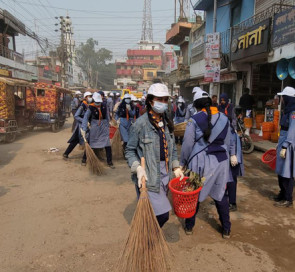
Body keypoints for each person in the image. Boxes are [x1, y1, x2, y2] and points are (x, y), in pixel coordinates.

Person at [125, 83, 183, 228]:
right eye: (159, 99)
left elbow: (173, 150)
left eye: (165, 99)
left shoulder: (166, 122)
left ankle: (149, 234)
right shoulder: (140, 124)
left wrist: (176, 166)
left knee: (153, 213)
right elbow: (129, 150)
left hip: (166, 174)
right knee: (163, 214)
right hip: (149, 175)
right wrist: (137, 168)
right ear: (150, 101)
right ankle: (149, 234)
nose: (163, 103)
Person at [180, 88, 232, 238]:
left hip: (199, 163)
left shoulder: (193, 120)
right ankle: (226, 229)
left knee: (193, 193)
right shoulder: (224, 118)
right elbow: (227, 143)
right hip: (221, 163)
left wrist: (183, 162)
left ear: (196, 105)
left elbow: (188, 144)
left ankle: (189, 226)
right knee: (221, 195)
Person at [218, 93, 243, 212]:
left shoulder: (228, 122)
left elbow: (232, 138)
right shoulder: (219, 115)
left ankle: (232, 202)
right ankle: (223, 197)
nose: (222, 102)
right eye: (221, 100)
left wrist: (233, 155)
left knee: (232, 177)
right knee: (224, 175)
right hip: (227, 149)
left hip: (233, 150)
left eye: (224, 100)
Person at [273, 87, 295, 207]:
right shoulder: (287, 111)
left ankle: (288, 199)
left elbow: (292, 130)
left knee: (287, 172)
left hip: (289, 145)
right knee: (280, 170)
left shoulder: (293, 112)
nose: (281, 99)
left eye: (283, 97)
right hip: (283, 142)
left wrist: (285, 146)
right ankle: (282, 193)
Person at [81, 92, 115, 169]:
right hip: (95, 127)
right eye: (96, 102)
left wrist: (109, 123)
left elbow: (107, 116)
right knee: (90, 142)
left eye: (99, 102)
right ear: (93, 100)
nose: (98, 103)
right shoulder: (91, 107)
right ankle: (84, 159)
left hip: (104, 127)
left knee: (107, 144)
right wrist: (84, 128)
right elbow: (86, 118)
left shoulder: (104, 106)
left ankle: (109, 162)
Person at [63, 91, 93, 159]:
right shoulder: (82, 106)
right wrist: (84, 121)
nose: (90, 98)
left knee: (79, 140)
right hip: (81, 126)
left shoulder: (89, 105)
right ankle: (66, 153)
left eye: (91, 96)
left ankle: (67, 153)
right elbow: (76, 116)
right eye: (89, 96)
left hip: (86, 126)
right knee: (77, 140)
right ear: (85, 97)